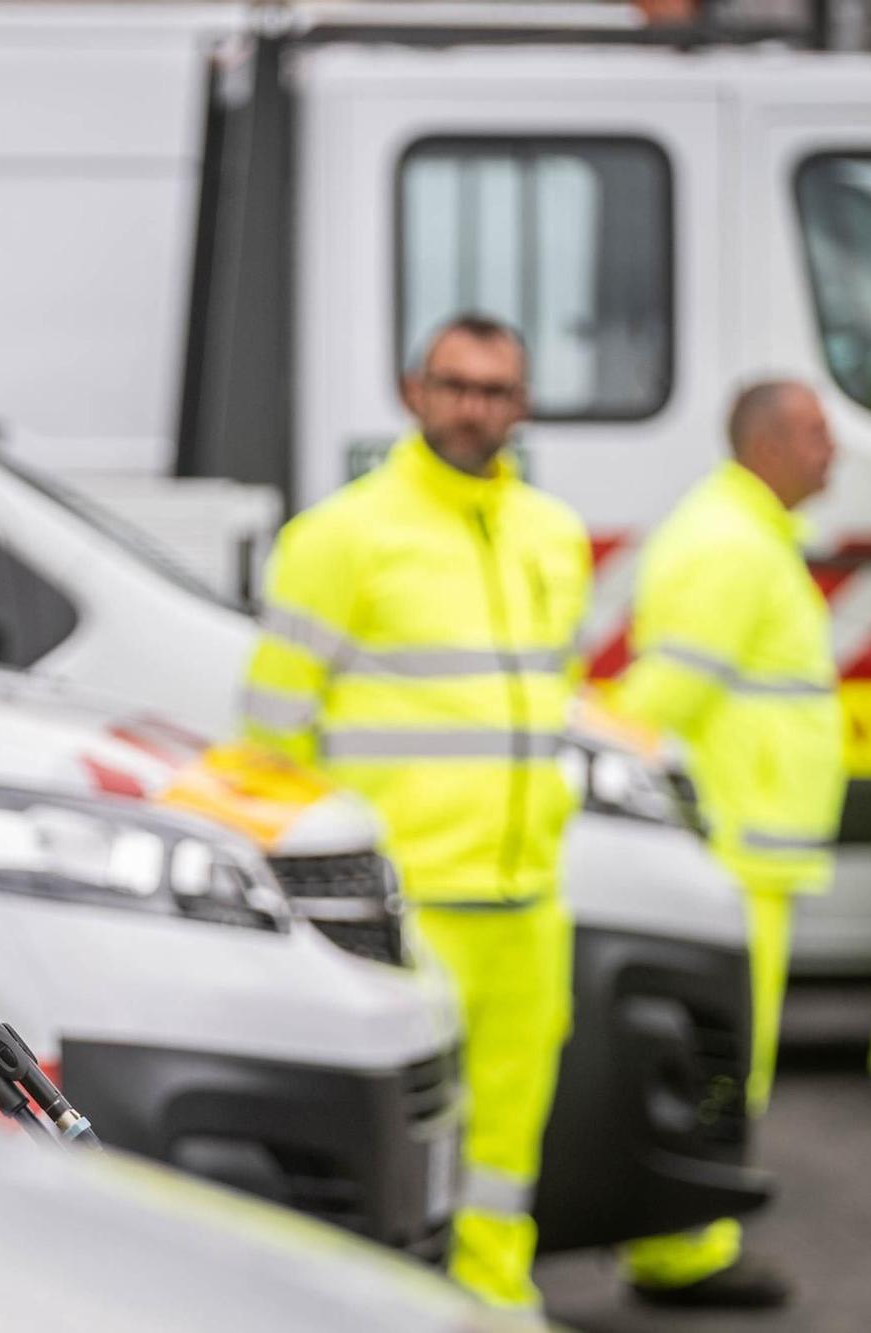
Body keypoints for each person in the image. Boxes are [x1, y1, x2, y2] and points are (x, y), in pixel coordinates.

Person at [241, 314, 590, 1319]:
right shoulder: (339, 537)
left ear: (520, 405)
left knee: (505, 1137)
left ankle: (494, 1300)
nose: (472, 406)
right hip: (405, 902)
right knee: (396, 1134)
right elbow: (269, 740)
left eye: (494, 390)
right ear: (411, 390)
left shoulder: (551, 535)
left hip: (526, 896)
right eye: (453, 384)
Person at [609, 381, 845, 1310]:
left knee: (724, 1062)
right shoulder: (732, 546)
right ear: (769, 443)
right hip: (734, 855)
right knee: (720, 1064)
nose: (834, 453)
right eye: (819, 435)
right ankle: (682, 1252)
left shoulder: (739, 535)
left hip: (747, 851)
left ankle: (688, 1237)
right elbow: (662, 701)